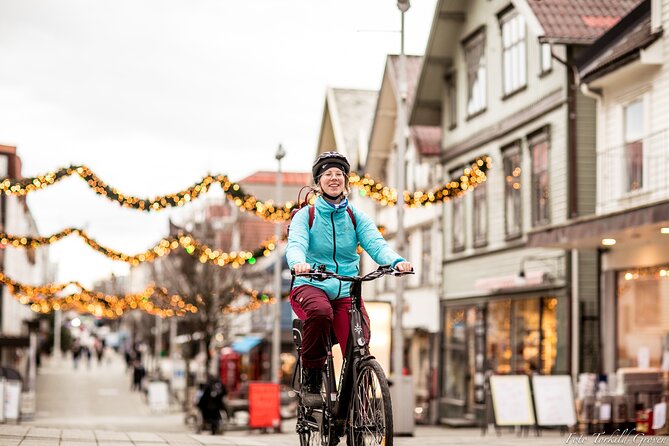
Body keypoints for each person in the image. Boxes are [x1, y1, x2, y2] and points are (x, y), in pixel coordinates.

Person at [286, 151, 413, 403]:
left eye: (339, 174)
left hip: (346, 289)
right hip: (310, 283)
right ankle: (311, 377)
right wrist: (298, 263)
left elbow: (376, 245)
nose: (334, 178)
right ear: (318, 182)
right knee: (321, 312)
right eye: (328, 174)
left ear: (346, 180)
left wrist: (397, 262)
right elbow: (296, 243)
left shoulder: (356, 217)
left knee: (359, 341)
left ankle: (359, 401)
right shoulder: (306, 216)